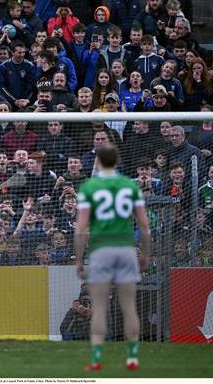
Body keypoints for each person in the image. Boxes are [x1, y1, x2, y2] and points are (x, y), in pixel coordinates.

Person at [75, 144, 151, 371]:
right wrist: (145, 254)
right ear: (117, 162)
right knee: (129, 306)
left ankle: (97, 359)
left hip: (100, 250)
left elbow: (81, 229)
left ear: (98, 162)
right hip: (126, 248)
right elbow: (145, 226)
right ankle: (132, 358)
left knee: (98, 308)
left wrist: (79, 260)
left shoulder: (90, 186)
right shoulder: (129, 185)